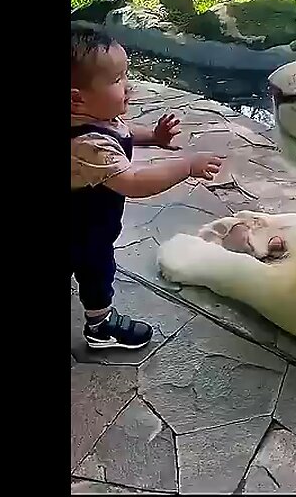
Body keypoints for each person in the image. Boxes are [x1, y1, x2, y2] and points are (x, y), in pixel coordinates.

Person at [70, 26, 224, 349]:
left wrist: (153, 136)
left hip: (85, 223)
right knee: (97, 270)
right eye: (116, 80)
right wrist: (187, 166)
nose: (128, 86)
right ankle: (100, 327)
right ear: (76, 98)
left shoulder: (97, 118)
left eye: (125, 75)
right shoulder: (87, 143)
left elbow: (121, 133)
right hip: (81, 231)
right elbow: (134, 183)